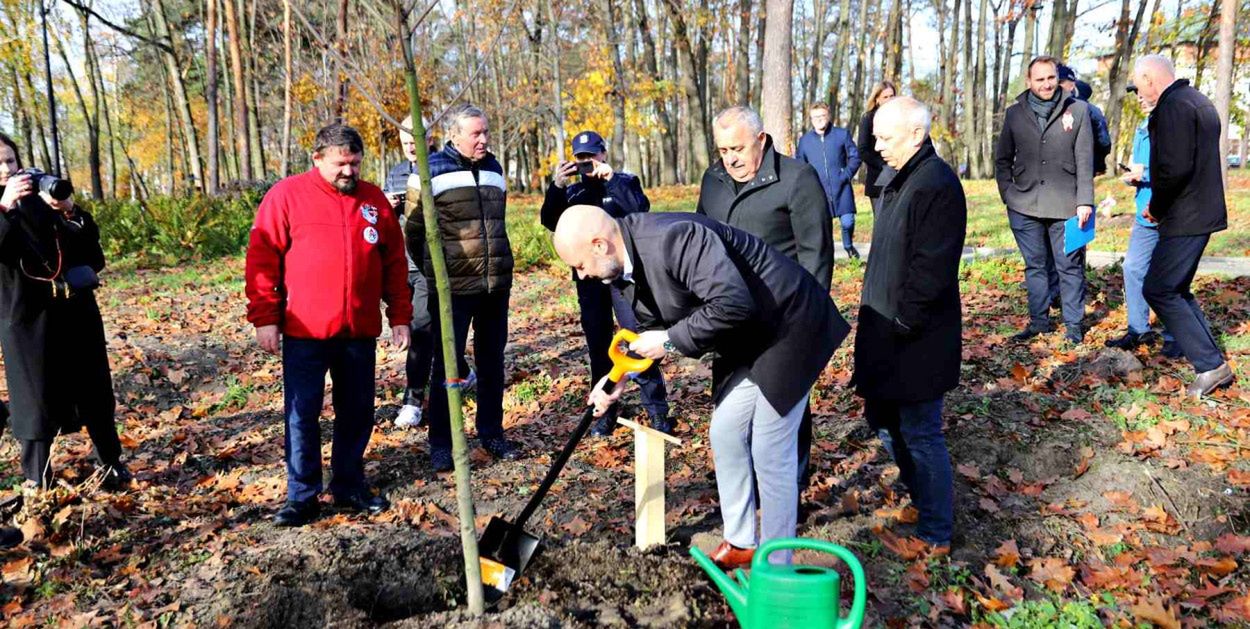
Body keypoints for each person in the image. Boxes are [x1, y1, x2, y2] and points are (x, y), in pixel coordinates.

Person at [552, 205, 849, 568]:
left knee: (770, 448)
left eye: (580, 265)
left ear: (600, 245)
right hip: (743, 336)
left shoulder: (674, 239)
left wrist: (670, 340)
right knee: (725, 432)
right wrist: (618, 379)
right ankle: (741, 542)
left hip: (789, 324)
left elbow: (733, 303)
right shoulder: (620, 270)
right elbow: (644, 332)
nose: (580, 275)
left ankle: (777, 563)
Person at [246, 123, 411, 526]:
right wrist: (265, 317)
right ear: (317, 158)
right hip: (305, 332)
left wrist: (400, 316)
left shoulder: (374, 200)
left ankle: (349, 484)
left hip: (358, 330)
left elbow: (394, 262)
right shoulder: (286, 197)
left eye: (355, 163)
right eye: (341, 164)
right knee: (302, 414)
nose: (349, 171)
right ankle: (302, 495)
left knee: (356, 411)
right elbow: (262, 259)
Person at [696, 105, 833, 495]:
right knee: (730, 401)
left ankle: (791, 486)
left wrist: (807, 320)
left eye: (738, 148)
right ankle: (743, 481)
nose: (731, 159)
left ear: (761, 139)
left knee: (784, 402)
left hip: (783, 316)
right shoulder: (713, 180)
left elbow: (816, 255)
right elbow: (700, 240)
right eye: (723, 150)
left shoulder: (797, 178)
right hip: (728, 314)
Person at [855, 97, 965, 552]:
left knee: (920, 431)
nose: (878, 146)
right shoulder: (897, 179)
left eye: (886, 138)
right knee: (883, 419)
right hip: (884, 329)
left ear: (917, 135)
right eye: (876, 136)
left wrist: (903, 321)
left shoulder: (936, 184)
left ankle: (936, 533)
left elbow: (931, 267)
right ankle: (922, 501)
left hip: (917, 335)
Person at [0, 132, 130, 492]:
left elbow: (93, 258)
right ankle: (36, 480)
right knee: (35, 400)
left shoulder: (42, 199)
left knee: (95, 391)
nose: (6, 168)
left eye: (10, 160)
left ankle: (111, 464)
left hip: (75, 309)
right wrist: (5, 208)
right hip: (26, 318)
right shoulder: (5, 206)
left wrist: (70, 210)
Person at [405, 104, 517, 471]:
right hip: (452, 288)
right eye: (475, 134)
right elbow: (414, 232)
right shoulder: (430, 170)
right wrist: (437, 274)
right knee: (447, 367)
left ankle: (492, 433)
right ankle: (442, 442)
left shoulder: (495, 168)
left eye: (486, 132)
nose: (483, 139)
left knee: (492, 362)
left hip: (495, 285)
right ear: (454, 135)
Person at [539, 130, 672, 436]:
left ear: (603, 154)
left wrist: (612, 179)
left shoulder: (624, 181)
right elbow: (550, 220)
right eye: (581, 158)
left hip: (624, 277)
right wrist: (557, 186)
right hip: (589, 279)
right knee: (598, 345)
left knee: (637, 340)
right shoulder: (573, 193)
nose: (587, 162)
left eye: (592, 155)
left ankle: (657, 411)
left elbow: (640, 209)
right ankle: (605, 413)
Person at [1133, 55, 1234, 398]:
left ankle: (1210, 365)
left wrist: (1156, 207)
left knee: (1159, 289)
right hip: (1200, 210)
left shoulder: (1173, 106)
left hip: (1185, 214)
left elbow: (1173, 168)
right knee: (1177, 288)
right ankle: (1211, 361)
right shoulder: (1197, 100)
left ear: (1150, 79)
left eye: (1140, 85)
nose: (1140, 93)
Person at [994, 55, 1095, 345]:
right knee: (1035, 266)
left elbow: (1085, 159)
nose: (1046, 84)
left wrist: (1085, 201)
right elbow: (1002, 159)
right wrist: (1008, 193)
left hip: (1067, 205)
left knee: (1069, 266)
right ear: (1029, 82)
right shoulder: (1014, 114)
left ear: (1057, 78)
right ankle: (1039, 322)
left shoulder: (1078, 110)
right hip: (1023, 204)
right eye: (1039, 79)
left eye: (1051, 78)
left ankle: (1073, 325)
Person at [383, 116, 474, 429]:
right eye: (405, 141)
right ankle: (463, 370)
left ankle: (413, 400)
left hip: (428, 265)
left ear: (429, 138)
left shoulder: (440, 167)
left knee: (420, 330)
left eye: (415, 140)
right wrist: (388, 206)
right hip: (400, 265)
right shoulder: (395, 172)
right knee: (425, 330)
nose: (411, 146)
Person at [1105, 85, 1177, 355]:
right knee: (1133, 267)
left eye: (1143, 93)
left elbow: (1174, 168)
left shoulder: (1173, 123)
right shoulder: (1141, 128)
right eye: (1136, 95)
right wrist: (1134, 176)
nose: (1140, 99)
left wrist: (1143, 174)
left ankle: (1176, 336)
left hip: (1169, 212)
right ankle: (1138, 330)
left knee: (1169, 278)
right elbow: (1142, 166)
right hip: (1144, 213)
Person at [797, 102, 863, 258]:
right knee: (824, 227)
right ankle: (828, 256)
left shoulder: (842, 135)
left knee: (848, 222)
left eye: (822, 115)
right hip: (819, 191)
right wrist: (809, 184)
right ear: (811, 119)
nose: (819, 119)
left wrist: (846, 175)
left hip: (842, 187)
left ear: (829, 116)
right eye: (815, 117)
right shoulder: (805, 141)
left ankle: (848, 246)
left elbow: (855, 157)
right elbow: (800, 165)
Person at [1057, 65, 1112, 175]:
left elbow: (1104, 142)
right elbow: (1105, 143)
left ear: (1072, 86)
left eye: (1061, 82)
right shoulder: (1093, 110)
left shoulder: (1088, 110)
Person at [857, 80, 898, 213]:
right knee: (881, 219)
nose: (889, 100)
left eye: (892, 96)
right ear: (877, 99)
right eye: (885, 97)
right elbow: (863, 150)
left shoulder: (901, 118)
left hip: (900, 175)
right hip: (878, 177)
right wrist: (884, 165)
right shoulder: (868, 119)